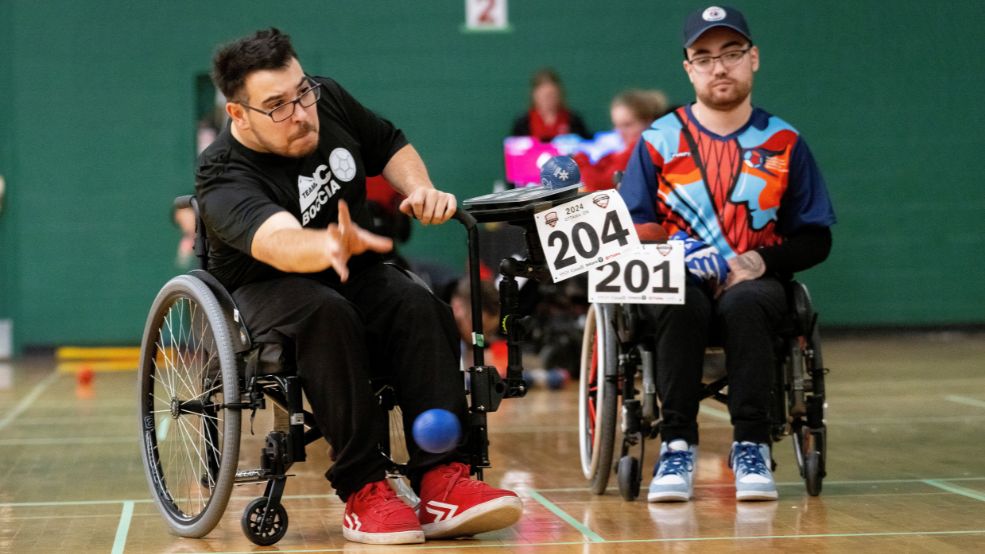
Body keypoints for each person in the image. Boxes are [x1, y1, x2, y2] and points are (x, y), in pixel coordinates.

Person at [195, 28, 521, 545]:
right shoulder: (221, 174)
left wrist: (421, 189)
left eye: (302, 92)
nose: (301, 113)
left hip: (353, 271)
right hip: (263, 288)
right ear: (239, 114)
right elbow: (277, 242)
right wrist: (326, 245)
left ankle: (443, 478)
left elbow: (388, 143)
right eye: (277, 106)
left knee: (418, 304)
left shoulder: (326, 99)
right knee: (327, 314)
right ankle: (364, 489)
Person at [618, 6, 836, 502]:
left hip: (754, 285)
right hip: (678, 280)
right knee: (676, 295)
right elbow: (629, 229)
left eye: (731, 53)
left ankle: (751, 445)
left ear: (753, 58)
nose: (719, 67)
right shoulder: (658, 141)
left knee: (747, 301)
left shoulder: (785, 142)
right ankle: (676, 445)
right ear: (688, 69)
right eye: (704, 57)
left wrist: (760, 262)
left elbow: (816, 238)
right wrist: (672, 248)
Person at [576, 89, 671, 191]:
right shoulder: (614, 154)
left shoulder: (644, 151)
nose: (621, 132)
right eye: (617, 125)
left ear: (649, 122)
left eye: (627, 125)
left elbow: (600, 185)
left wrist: (579, 161)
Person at [510, 68, 590, 141]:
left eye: (552, 95)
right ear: (534, 95)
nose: (548, 100)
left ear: (560, 94)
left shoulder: (573, 120)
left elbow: (585, 145)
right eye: (544, 96)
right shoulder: (523, 123)